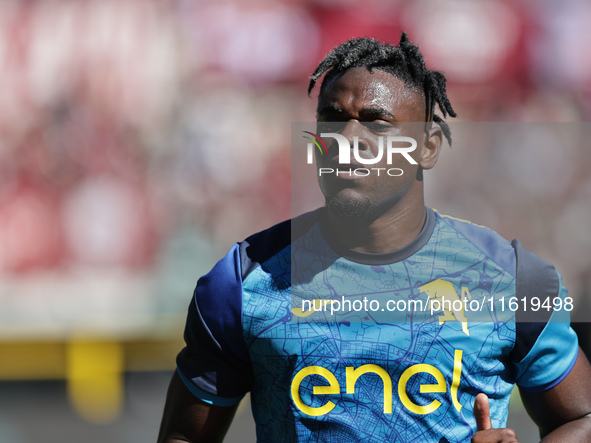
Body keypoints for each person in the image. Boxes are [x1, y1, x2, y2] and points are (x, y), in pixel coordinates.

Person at [158, 34, 591, 442]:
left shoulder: (515, 281)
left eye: (376, 123)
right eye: (332, 119)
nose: (347, 140)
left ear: (428, 146)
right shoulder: (241, 282)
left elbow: (581, 418)